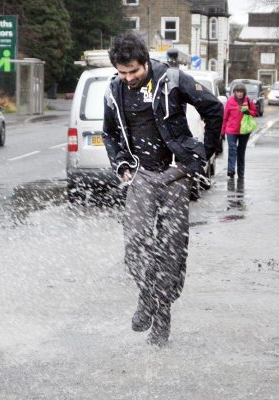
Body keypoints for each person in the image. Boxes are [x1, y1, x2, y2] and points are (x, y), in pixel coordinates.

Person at [102, 33, 223, 346]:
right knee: (136, 248)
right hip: (140, 176)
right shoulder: (114, 90)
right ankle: (148, 297)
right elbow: (109, 134)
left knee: (171, 250)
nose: (128, 78)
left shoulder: (172, 79)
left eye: (134, 71)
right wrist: (121, 164)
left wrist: (203, 154)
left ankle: (162, 313)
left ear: (145, 61)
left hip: (175, 174)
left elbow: (213, 109)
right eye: (122, 72)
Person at [222, 83, 257, 179]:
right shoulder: (230, 101)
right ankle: (231, 170)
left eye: (241, 92)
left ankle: (241, 173)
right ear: (234, 92)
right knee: (232, 149)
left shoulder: (248, 101)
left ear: (244, 92)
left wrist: (248, 112)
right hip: (231, 130)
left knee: (241, 152)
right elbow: (225, 117)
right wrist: (222, 132)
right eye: (237, 91)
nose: (239, 94)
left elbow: (255, 113)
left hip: (244, 130)